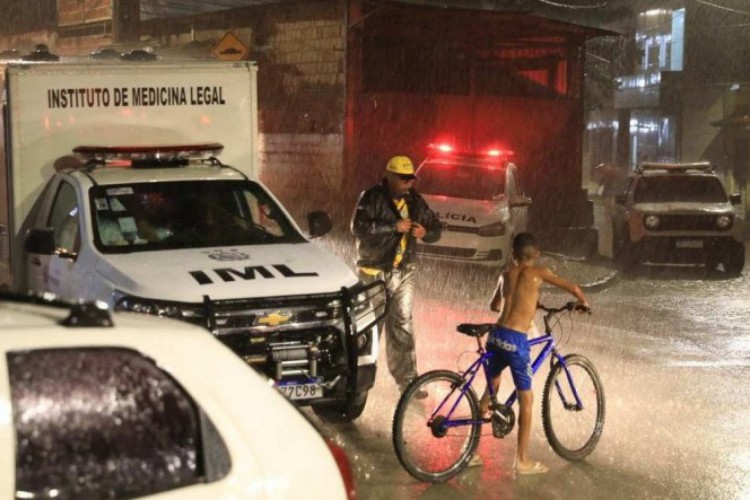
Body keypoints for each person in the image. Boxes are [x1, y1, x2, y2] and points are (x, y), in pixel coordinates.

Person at [480, 232, 590, 475]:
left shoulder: (506, 274)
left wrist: (521, 300)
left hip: (496, 334)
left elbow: (495, 306)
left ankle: (472, 450)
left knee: (491, 388)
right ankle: (521, 460)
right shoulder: (539, 273)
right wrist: (583, 302)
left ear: (513, 254)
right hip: (516, 340)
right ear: (537, 253)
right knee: (526, 399)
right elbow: (572, 287)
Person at [351, 155, 441, 397]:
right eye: (402, 179)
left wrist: (426, 233)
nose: (408, 184)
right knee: (369, 327)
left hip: (404, 271)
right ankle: (357, 384)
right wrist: (393, 227)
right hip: (374, 272)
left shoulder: (416, 201)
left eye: (410, 179)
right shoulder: (372, 198)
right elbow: (358, 228)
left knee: (402, 325)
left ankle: (408, 382)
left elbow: (436, 228)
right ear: (389, 176)